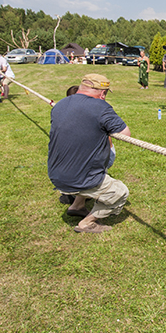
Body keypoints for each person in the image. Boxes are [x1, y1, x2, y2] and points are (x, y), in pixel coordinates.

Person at [48, 74, 130, 234]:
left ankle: (77, 205)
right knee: (121, 192)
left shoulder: (60, 104)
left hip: (56, 176)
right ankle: (87, 223)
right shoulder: (101, 107)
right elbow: (125, 134)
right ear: (102, 93)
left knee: (97, 163)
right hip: (78, 179)